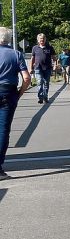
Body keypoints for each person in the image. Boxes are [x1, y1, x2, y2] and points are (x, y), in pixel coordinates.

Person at [0, 27, 31, 181]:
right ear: (9, 40)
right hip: (8, 93)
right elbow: (26, 78)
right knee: (3, 130)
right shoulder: (16, 54)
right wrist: (19, 94)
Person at [30, 33, 55, 103]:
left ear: (45, 40)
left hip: (47, 68)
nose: (42, 41)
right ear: (38, 40)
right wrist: (31, 68)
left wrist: (55, 65)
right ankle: (40, 97)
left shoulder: (50, 47)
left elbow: (54, 58)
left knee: (46, 83)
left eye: (43, 39)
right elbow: (32, 58)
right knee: (39, 82)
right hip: (38, 68)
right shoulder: (35, 48)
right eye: (41, 39)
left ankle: (45, 96)